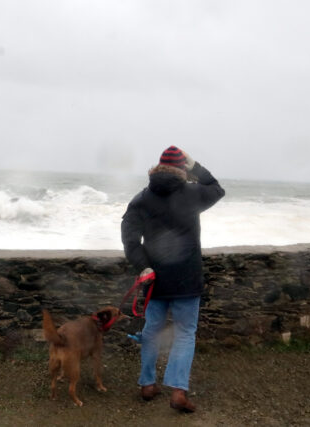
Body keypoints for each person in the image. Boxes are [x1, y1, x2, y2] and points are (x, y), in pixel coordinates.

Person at [121, 146, 225, 412]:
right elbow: (216, 188)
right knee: (185, 333)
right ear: (182, 169)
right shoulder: (193, 193)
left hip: (154, 279)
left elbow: (130, 239)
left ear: (157, 168)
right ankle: (178, 391)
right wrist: (196, 166)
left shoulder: (141, 199)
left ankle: (147, 384)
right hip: (187, 279)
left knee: (151, 331)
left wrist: (143, 267)